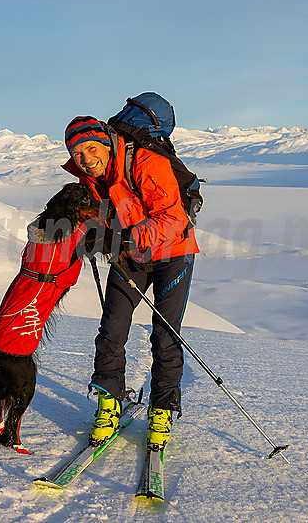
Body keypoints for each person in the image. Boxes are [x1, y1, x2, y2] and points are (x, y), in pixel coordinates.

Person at [62, 115, 199, 450]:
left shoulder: (146, 162)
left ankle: (162, 410)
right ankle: (108, 405)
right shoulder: (93, 177)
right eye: (78, 154)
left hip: (173, 255)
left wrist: (119, 242)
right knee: (112, 327)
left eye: (91, 148)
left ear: (107, 144)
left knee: (165, 335)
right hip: (132, 257)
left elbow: (173, 217)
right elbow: (104, 216)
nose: (86, 159)